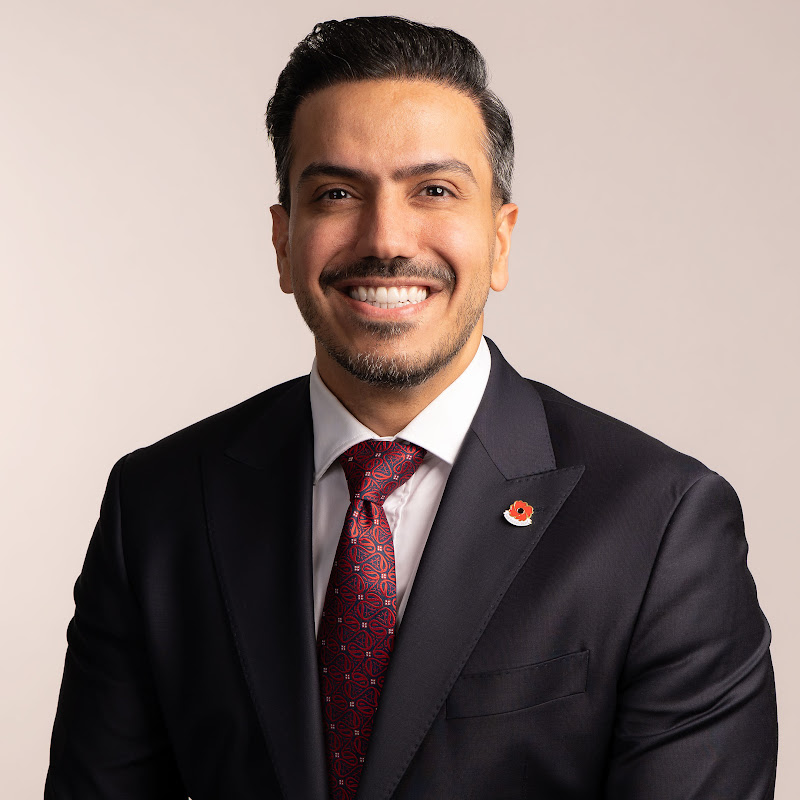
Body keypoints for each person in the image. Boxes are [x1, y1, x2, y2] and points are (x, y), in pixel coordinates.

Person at [46, 16, 777, 800]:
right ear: (283, 241)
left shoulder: (659, 524)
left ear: (500, 240)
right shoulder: (157, 508)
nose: (385, 238)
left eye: (434, 190)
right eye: (336, 193)